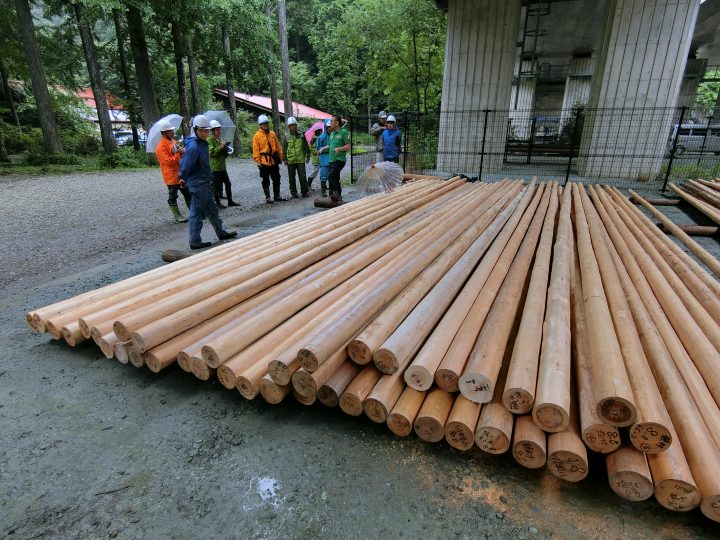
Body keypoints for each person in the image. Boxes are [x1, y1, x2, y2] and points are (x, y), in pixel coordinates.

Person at [179, 115, 237, 249]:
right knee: (197, 213)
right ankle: (195, 240)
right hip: (197, 183)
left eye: (206, 130)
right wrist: (182, 177)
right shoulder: (194, 147)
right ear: (195, 130)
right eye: (202, 130)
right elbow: (186, 165)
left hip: (203, 181)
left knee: (212, 209)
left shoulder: (202, 144)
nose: (204, 133)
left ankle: (220, 232)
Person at [154, 119, 191, 223]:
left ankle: (194, 212)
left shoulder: (174, 141)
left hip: (180, 174)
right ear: (164, 133)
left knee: (187, 192)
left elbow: (180, 156)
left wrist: (182, 152)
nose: (172, 132)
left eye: (172, 130)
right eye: (170, 131)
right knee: (173, 195)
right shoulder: (160, 147)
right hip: (171, 176)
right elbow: (168, 162)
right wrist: (178, 154)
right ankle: (177, 216)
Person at [252, 114, 286, 204]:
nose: (266, 125)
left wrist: (281, 156)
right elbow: (255, 149)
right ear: (260, 125)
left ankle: (277, 195)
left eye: (266, 123)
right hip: (264, 161)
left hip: (273, 159)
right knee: (265, 179)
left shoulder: (272, 134)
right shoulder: (257, 136)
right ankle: (267, 197)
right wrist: (258, 161)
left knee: (277, 177)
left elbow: (278, 146)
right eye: (264, 123)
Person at [207, 120, 239, 208]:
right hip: (215, 168)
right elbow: (212, 153)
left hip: (222, 167)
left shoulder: (219, 139)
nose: (219, 131)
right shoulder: (209, 140)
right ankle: (217, 203)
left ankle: (230, 201)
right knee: (216, 186)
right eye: (217, 130)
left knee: (228, 183)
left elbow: (223, 156)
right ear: (213, 131)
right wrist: (221, 147)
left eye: (220, 129)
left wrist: (225, 150)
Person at [323, 114, 351, 202]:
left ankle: (333, 193)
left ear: (337, 123)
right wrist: (323, 149)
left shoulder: (344, 132)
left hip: (340, 159)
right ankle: (338, 196)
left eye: (331, 121)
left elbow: (349, 146)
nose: (330, 123)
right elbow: (330, 145)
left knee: (331, 175)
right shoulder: (331, 133)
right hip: (332, 159)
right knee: (335, 177)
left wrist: (340, 149)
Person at [282, 116, 311, 198]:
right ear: (289, 127)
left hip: (300, 159)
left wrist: (308, 155)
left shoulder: (302, 135)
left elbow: (306, 146)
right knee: (291, 178)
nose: (294, 126)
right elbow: (284, 148)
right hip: (290, 160)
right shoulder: (286, 136)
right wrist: (284, 158)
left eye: (295, 125)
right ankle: (293, 193)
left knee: (302, 176)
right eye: (292, 125)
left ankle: (304, 192)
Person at [316, 119, 331, 197]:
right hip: (324, 159)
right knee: (324, 175)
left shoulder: (334, 136)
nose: (330, 128)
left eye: (331, 126)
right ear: (325, 127)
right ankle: (323, 190)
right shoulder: (321, 137)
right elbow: (318, 148)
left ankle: (332, 190)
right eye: (328, 127)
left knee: (332, 175)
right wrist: (325, 148)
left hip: (332, 158)